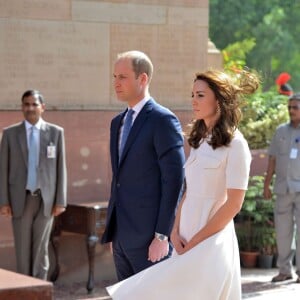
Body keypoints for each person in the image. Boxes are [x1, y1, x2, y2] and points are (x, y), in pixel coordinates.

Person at [105, 69, 259, 299]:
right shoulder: (199, 141)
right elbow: (188, 192)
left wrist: (197, 241)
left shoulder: (236, 144)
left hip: (211, 240)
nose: (193, 101)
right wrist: (174, 231)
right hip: (183, 238)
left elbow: (234, 204)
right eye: (192, 95)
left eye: (200, 95)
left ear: (219, 99)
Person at [101, 50, 185, 281]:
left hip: (150, 239)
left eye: (123, 77)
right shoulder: (116, 123)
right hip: (121, 237)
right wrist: (115, 233)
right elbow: (119, 180)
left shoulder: (163, 120)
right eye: (114, 77)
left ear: (143, 78)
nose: (116, 83)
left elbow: (174, 180)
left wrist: (162, 236)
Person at [0, 89, 67, 280]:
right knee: (22, 247)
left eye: (34, 104)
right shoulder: (10, 134)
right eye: (26, 104)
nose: (30, 108)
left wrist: (60, 200)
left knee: (41, 247)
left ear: (42, 107)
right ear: (22, 107)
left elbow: (61, 167)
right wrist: (3, 201)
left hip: (47, 201)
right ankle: (25, 287)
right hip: (20, 199)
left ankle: (39, 287)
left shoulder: (56, 133)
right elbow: (2, 169)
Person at [264, 93, 300, 283]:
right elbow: (272, 159)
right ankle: (284, 270)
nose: (291, 110)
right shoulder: (280, 131)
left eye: (295, 107)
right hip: (282, 190)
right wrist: (266, 184)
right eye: (289, 107)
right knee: (283, 232)